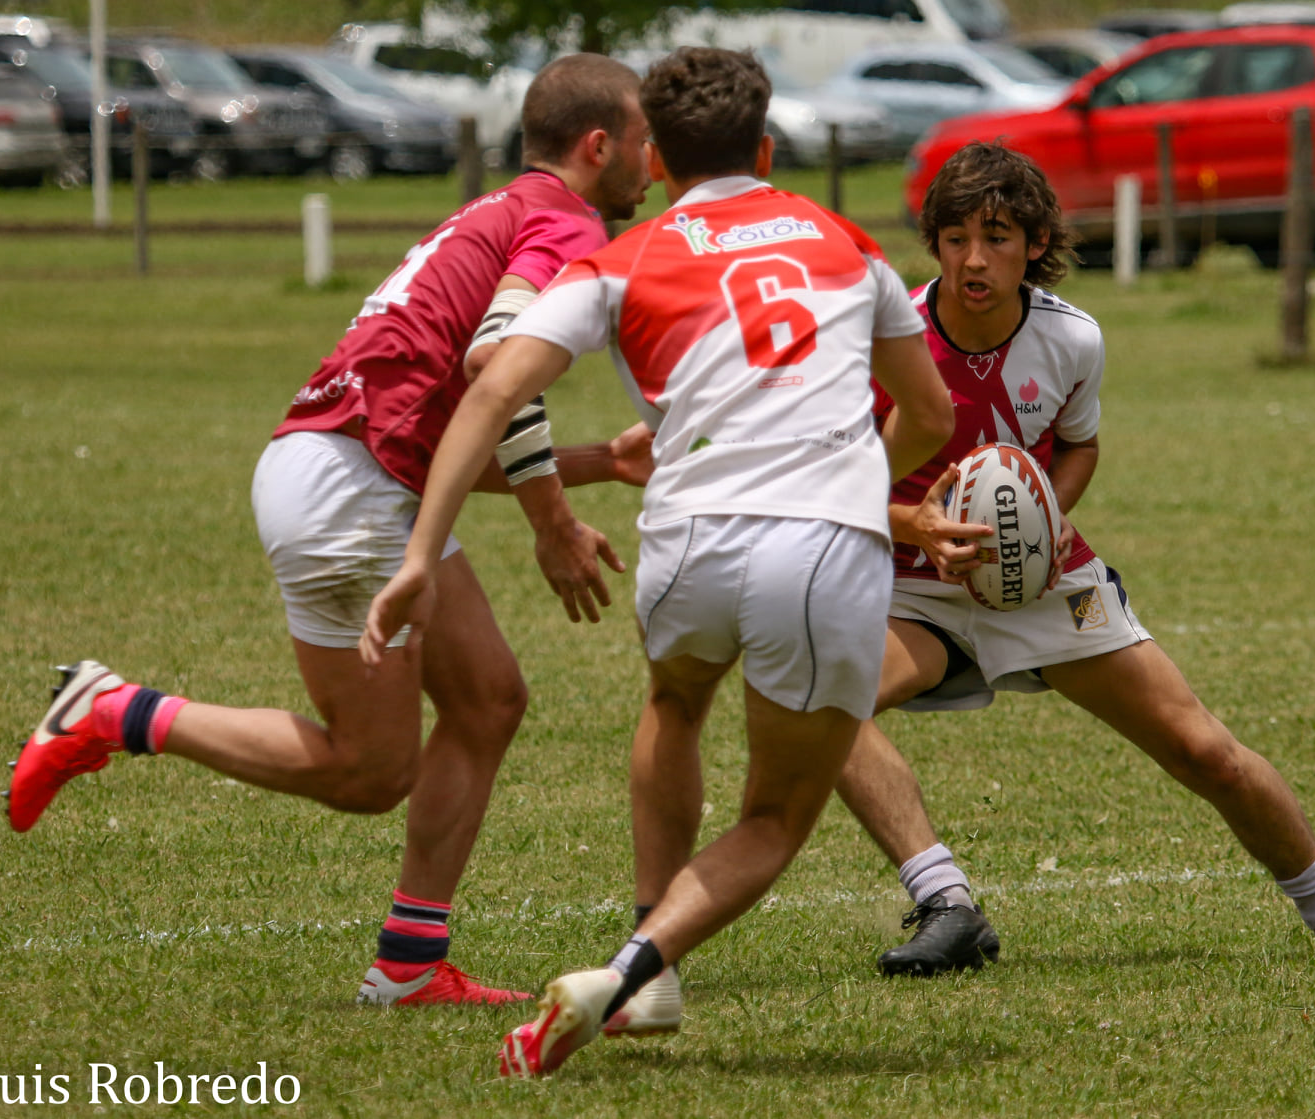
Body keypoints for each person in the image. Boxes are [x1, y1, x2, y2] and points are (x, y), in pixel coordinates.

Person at [8, 53, 655, 1007]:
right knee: (366, 769)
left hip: (346, 469)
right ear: (598, 146)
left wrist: (597, 461)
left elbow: (440, 429)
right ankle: (114, 711)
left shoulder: (498, 209)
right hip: (346, 489)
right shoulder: (564, 220)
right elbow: (496, 366)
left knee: (486, 700)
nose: (654, 160)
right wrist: (550, 522)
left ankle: (406, 964)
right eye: (644, 141)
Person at [360, 46, 955, 1076]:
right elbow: (931, 411)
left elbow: (493, 388)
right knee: (771, 817)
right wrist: (859, 480)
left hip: (684, 546)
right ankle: (629, 973)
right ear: (766, 148)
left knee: (674, 704)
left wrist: (420, 552)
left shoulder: (622, 255)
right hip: (816, 555)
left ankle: (652, 968)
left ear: (663, 160)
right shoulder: (845, 242)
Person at [833, 140, 1315, 977]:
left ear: (1034, 244)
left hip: (1047, 583)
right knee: (823, 700)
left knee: (1200, 749)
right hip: (912, 582)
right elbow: (826, 483)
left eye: (996, 236)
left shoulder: (1072, 339)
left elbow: (1079, 445)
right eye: (954, 236)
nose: (972, 257)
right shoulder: (885, 340)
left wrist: (1039, 528)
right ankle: (947, 902)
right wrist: (915, 525)